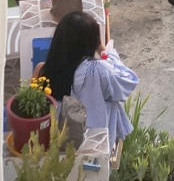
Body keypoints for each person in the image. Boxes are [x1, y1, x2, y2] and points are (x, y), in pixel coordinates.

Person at [42, 11, 139, 150]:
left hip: (62, 143)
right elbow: (127, 80)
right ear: (91, 42)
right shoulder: (96, 71)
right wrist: (105, 52)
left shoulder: (46, 69)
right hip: (95, 143)